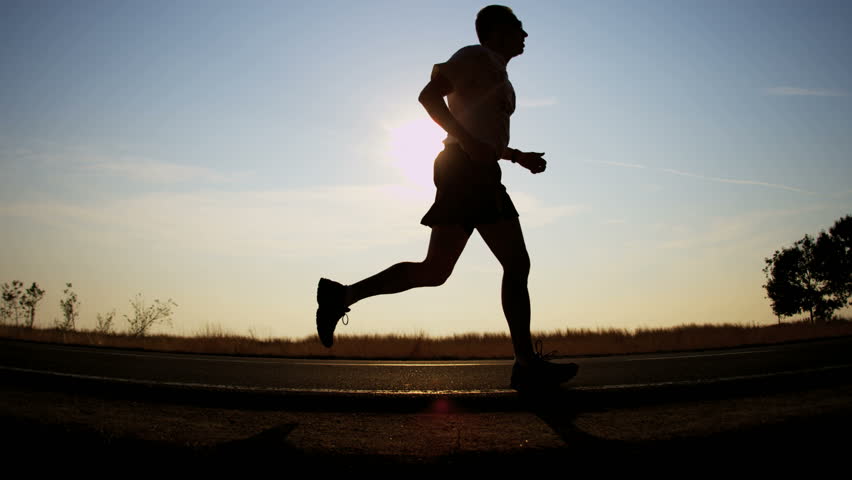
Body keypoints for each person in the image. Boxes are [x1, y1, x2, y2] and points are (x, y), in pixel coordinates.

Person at [316, 5, 578, 390]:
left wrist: (515, 156)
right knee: (516, 263)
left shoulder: (501, 78)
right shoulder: (474, 56)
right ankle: (525, 366)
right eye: (518, 27)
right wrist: (469, 141)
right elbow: (428, 97)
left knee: (435, 271)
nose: (526, 34)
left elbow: (483, 136)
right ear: (497, 31)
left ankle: (341, 295)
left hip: (477, 169)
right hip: (463, 169)